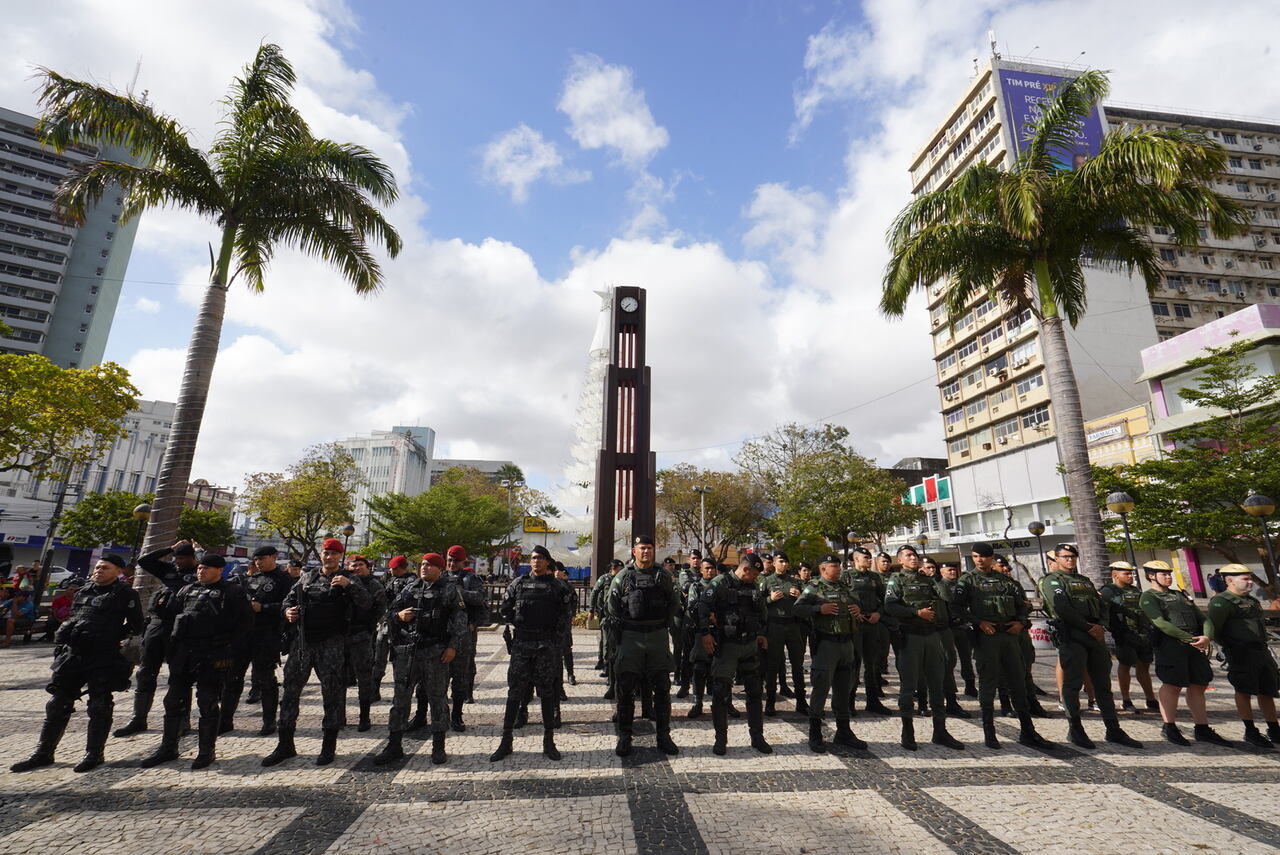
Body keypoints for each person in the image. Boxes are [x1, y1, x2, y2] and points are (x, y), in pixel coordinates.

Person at [11, 555, 143, 773]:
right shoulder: (84, 591)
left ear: (117, 571)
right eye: (98, 567)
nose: (99, 570)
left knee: (99, 706)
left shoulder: (125, 594)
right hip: (73, 655)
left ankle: (94, 753)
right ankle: (43, 753)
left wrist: (112, 635)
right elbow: (74, 617)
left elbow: (136, 625)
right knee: (57, 705)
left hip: (102, 656)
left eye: (105, 568)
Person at [263, 538, 371, 767]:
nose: (329, 556)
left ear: (340, 557)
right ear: (320, 555)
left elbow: (366, 604)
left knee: (331, 695)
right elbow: (288, 601)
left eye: (333, 553)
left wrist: (349, 587)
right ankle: (285, 745)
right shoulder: (307, 577)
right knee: (290, 693)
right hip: (303, 643)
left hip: (331, 643)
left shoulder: (348, 578)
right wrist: (288, 613)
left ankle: (328, 746)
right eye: (325, 552)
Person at [140, 553, 252, 769]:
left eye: (206, 568)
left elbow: (245, 626)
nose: (201, 571)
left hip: (212, 654)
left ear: (220, 570)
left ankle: (206, 751)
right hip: (184, 653)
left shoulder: (233, 592)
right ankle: (168, 747)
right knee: (173, 701)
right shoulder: (187, 589)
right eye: (200, 568)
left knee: (207, 703)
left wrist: (228, 653)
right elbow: (172, 618)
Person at [1039, 544, 1141, 749]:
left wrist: (1100, 625)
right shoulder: (1052, 580)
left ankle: (1113, 729)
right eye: (1065, 556)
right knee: (1072, 684)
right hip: (1073, 634)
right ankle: (1075, 728)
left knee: (1103, 684)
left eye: (1073, 556)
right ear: (1056, 559)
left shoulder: (1084, 581)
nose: (1070, 560)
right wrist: (1087, 627)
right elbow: (1062, 607)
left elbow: (1101, 604)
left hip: (1095, 635)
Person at [951, 543, 1052, 750]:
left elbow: (1022, 606)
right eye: (975, 556)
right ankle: (989, 732)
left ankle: (1028, 730)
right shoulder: (967, 580)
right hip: (986, 638)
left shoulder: (1006, 581)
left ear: (991, 558)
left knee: (1018, 682)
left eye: (983, 557)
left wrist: (1020, 622)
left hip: (1009, 636)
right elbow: (957, 607)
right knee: (988, 683)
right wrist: (979, 623)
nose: (979, 560)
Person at [374, 553, 467, 765]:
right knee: (400, 699)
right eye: (423, 564)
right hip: (408, 652)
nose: (424, 568)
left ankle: (438, 745)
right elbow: (389, 613)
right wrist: (399, 617)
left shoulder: (450, 590)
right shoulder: (410, 588)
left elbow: (460, 621)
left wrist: (452, 647)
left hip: (436, 652)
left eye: (430, 565)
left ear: (440, 569)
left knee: (437, 699)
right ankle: (394, 745)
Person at [490, 545, 574, 762]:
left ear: (547, 561)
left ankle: (549, 741)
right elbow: (505, 609)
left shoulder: (558, 587)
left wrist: (555, 643)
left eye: (540, 558)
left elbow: (565, 618)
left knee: (546, 693)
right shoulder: (517, 584)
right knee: (514, 694)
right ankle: (506, 741)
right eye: (533, 558)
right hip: (522, 646)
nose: (536, 561)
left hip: (546, 647)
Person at [115, 540, 200, 737]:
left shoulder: (200, 571)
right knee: (145, 673)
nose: (178, 561)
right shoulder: (168, 569)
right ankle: (138, 718)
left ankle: (182, 719)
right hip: (157, 625)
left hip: (182, 628)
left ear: (193, 558)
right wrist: (170, 548)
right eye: (176, 558)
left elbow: (214, 567)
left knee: (180, 676)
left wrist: (199, 552)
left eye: (183, 558)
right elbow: (144, 561)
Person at [606, 534, 681, 757]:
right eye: (642, 548)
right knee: (626, 689)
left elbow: (674, 603)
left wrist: (661, 625)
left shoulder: (664, 575)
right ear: (634, 552)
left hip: (657, 637)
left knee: (662, 689)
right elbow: (612, 606)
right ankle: (625, 736)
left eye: (649, 548)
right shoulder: (623, 576)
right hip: (631, 638)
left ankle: (664, 736)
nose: (646, 552)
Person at [884, 545, 963, 751]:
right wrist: (915, 613)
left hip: (932, 636)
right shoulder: (897, 580)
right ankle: (907, 732)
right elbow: (890, 606)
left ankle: (940, 731)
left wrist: (935, 576)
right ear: (900, 560)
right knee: (909, 686)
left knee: (937, 683)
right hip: (911, 638)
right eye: (908, 555)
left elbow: (948, 597)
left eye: (915, 555)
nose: (913, 558)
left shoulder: (928, 579)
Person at [693, 553, 771, 755]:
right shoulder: (720, 582)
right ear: (745, 569)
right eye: (753, 574)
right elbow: (702, 606)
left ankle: (757, 737)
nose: (755, 578)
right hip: (727, 646)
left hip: (749, 645)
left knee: (755, 691)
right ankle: (721, 739)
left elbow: (761, 610)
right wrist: (705, 634)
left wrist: (761, 633)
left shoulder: (752, 586)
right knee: (720, 692)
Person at [1139, 560, 1222, 746]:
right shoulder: (1149, 597)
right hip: (1171, 646)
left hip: (1194, 644)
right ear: (1151, 576)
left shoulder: (1180, 595)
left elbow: (1204, 618)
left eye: (1169, 573)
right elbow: (1161, 623)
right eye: (1164, 574)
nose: (1168, 577)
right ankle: (1169, 726)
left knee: (1199, 683)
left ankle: (1202, 727)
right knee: (1172, 684)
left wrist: (1207, 637)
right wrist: (1189, 639)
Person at [794, 554, 867, 753]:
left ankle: (843, 731)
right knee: (821, 688)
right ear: (823, 568)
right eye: (835, 566)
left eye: (839, 565)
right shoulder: (814, 587)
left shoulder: (843, 586)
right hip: (827, 645)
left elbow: (856, 604)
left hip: (847, 644)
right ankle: (815, 733)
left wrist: (856, 608)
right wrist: (819, 608)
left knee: (845, 689)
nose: (839, 569)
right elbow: (798, 608)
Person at [218, 546, 291, 736]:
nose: (258, 562)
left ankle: (268, 722)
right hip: (243, 636)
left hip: (267, 635)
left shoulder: (284, 579)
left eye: (262, 558)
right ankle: (225, 720)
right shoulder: (250, 579)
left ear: (274, 557)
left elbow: (289, 605)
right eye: (256, 559)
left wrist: (264, 607)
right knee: (232, 678)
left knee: (265, 680)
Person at [1208, 564, 1280, 748]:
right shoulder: (1222, 602)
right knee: (1244, 690)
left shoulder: (1252, 601)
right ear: (1230, 580)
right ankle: (1250, 730)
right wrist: (1226, 647)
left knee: (1267, 690)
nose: (1250, 583)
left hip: (1261, 651)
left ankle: (1274, 728)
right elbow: (1214, 628)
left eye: (1250, 578)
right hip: (1240, 652)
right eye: (1245, 579)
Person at [1100, 561, 1158, 715]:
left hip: (1143, 634)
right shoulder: (1108, 592)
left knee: (1144, 666)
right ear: (1115, 574)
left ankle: (1150, 699)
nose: (1131, 576)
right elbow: (1103, 613)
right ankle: (1126, 700)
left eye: (1131, 573)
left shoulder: (1135, 590)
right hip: (1124, 634)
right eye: (1126, 573)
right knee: (1125, 665)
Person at [445, 544, 489, 731]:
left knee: (462, 673)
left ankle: (457, 714)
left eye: (455, 561)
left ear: (463, 561)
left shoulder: (470, 578)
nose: (452, 563)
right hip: (441, 634)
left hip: (464, 633)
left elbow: (480, 599)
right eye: (449, 560)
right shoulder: (441, 577)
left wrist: (460, 593)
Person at [760, 550, 807, 717]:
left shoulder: (795, 581)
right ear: (773, 563)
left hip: (793, 627)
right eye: (781, 561)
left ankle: (801, 701)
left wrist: (800, 596)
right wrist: (770, 599)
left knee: (797, 665)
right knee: (773, 665)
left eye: (786, 562)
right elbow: (758, 604)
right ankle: (770, 702)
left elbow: (805, 604)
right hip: (775, 627)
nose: (784, 564)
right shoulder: (766, 581)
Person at [846, 547, 891, 715]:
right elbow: (841, 597)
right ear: (856, 559)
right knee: (854, 664)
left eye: (870, 557)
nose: (869, 560)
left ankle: (873, 701)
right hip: (855, 626)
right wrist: (852, 610)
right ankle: (849, 702)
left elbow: (884, 599)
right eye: (866, 557)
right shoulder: (846, 576)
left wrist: (878, 613)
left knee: (872, 665)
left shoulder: (874, 577)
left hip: (872, 624)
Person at [344, 554, 386, 733]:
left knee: (364, 678)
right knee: (338, 678)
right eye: (353, 565)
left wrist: (369, 627)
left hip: (362, 635)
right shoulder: (341, 581)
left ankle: (364, 716)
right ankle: (338, 715)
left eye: (360, 565)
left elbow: (379, 607)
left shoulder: (374, 584)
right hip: (340, 636)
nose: (356, 568)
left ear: (367, 567)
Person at [374, 555, 414, 699]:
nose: (390, 571)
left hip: (402, 627)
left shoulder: (412, 581)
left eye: (393, 568)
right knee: (378, 658)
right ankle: (375, 688)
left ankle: (401, 695)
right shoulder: (386, 579)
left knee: (400, 662)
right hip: (385, 625)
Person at [683, 557, 719, 718]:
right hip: (701, 632)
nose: (710, 571)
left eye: (712, 568)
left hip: (720, 631)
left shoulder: (722, 586)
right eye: (707, 568)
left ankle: (724, 702)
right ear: (701, 570)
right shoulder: (696, 586)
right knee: (699, 668)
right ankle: (697, 702)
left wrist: (717, 615)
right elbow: (692, 608)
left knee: (722, 669)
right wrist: (708, 615)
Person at [939, 562, 977, 697]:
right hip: (948, 627)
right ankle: (949, 689)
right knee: (949, 659)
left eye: (954, 570)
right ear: (942, 572)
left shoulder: (962, 586)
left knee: (966, 657)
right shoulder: (940, 586)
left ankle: (970, 685)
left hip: (962, 626)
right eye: (949, 570)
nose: (953, 572)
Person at [591, 559, 623, 695]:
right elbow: (594, 593)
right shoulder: (604, 578)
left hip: (620, 616)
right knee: (606, 642)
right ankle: (605, 665)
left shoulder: (623, 579)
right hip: (606, 615)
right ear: (613, 568)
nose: (620, 570)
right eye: (619, 568)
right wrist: (592, 610)